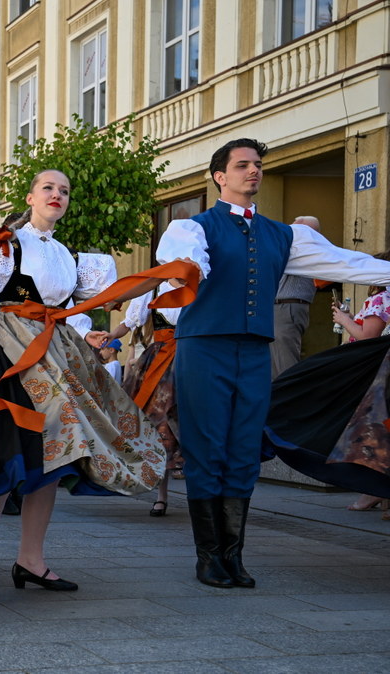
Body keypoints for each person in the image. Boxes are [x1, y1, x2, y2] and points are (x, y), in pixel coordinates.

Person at [0, 169, 186, 604]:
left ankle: (30, 559)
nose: (57, 195)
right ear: (31, 197)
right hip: (10, 350)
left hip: (58, 348)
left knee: (54, 457)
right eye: (49, 188)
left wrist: (164, 277)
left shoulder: (70, 255)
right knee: (7, 455)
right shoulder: (7, 244)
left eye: (65, 190)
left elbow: (98, 301)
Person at [157, 138, 390, 589]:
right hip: (204, 347)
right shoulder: (193, 229)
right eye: (242, 165)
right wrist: (194, 271)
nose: (253, 171)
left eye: (258, 165)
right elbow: (184, 267)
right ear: (219, 176)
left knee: (244, 449)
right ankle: (208, 558)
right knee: (206, 447)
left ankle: (233, 556)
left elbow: (348, 263)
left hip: (252, 351)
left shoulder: (284, 235)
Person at [267, 255, 390, 515]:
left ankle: (372, 490)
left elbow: (369, 337)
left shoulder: (382, 298)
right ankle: (378, 492)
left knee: (363, 428)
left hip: (370, 371)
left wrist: (344, 321)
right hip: (375, 370)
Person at [93, 284, 185, 516]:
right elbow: (130, 322)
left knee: (191, 422)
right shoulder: (155, 289)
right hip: (160, 363)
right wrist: (112, 335)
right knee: (159, 424)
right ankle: (161, 496)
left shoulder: (200, 283)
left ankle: (202, 494)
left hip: (192, 358)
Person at [270, 217, 322, 378]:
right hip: (281, 307)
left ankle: (289, 400)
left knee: (285, 365)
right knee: (274, 364)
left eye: (296, 228)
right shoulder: (293, 248)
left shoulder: (304, 249)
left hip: (287, 307)